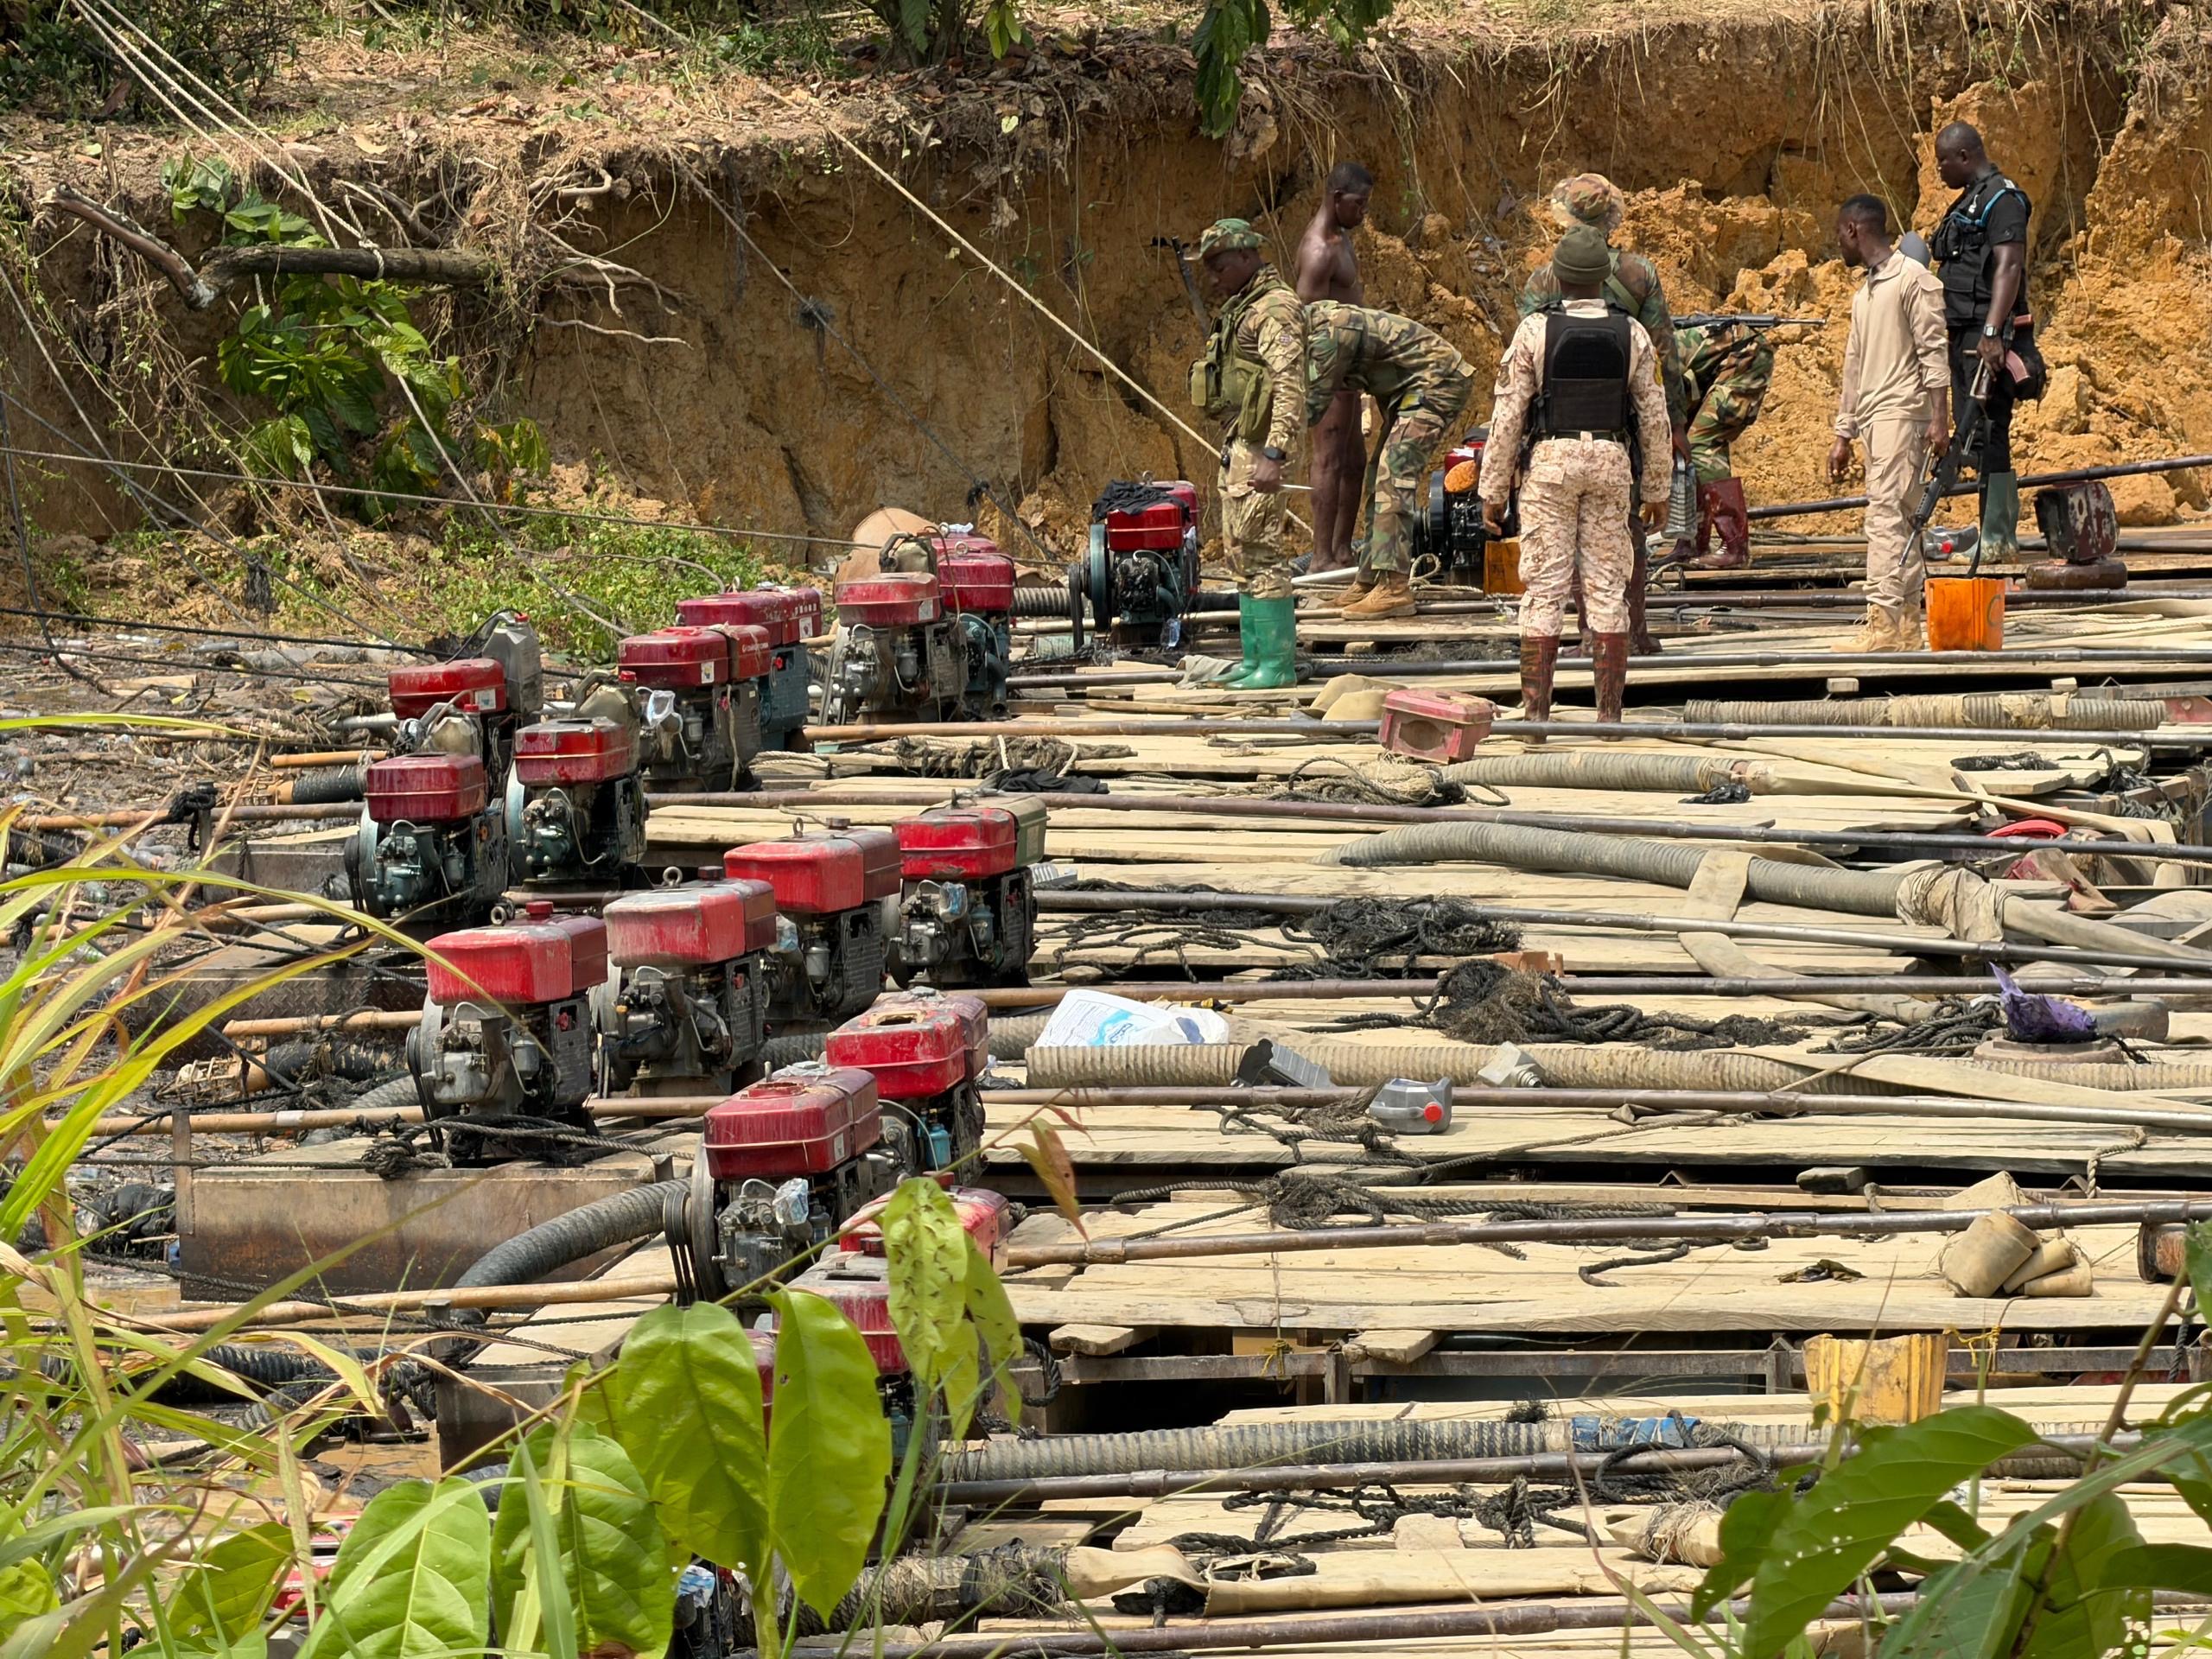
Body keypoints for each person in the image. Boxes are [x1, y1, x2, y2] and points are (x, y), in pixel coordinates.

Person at [1481, 225, 1671, 732]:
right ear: (1604, 277)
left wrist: (1492, 490)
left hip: (1551, 465)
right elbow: (1654, 417)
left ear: (1558, 278)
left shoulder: (1533, 331)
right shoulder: (1634, 333)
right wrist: (1658, 490)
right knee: (1608, 587)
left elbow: (1508, 416)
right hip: (1610, 461)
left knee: (1544, 588)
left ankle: (1536, 717)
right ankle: (1609, 716)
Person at [1519, 174, 1687, 655]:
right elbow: (1663, 353)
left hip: (1560, 423)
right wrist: (1675, 424)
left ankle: (1590, 634)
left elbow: (1529, 358)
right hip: (1624, 419)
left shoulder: (1544, 279)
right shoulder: (1639, 273)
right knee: (1622, 526)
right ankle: (1632, 632)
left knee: (1569, 532)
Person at [1186, 218, 1308, 688]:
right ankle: (1254, 659)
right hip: (1241, 444)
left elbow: (1289, 384)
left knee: (1261, 554)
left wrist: (1275, 453)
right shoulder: (1246, 307)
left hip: (1261, 447)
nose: (1215, 279)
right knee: (1239, 554)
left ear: (1246, 256)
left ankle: (1275, 666)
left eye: (1220, 268)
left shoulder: (1273, 309)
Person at [1829, 194, 1951, 651]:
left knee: (1885, 518)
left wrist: (1939, 418)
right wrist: (1844, 432)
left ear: (1854, 230)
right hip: (1877, 421)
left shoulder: (1911, 280)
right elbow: (1854, 366)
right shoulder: (1866, 292)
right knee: (1902, 522)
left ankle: (1882, 626)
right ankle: (1906, 628)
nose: (1838, 244)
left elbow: (1933, 352)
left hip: (1902, 416)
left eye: (1840, 234)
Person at [1302, 302, 1476, 620]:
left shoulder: (1330, 333)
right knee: (1377, 476)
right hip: (1410, 387)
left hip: (1437, 380)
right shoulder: (1311, 329)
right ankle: (1370, 580)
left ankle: (1394, 588)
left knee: (1393, 472)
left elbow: (1310, 406)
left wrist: (1264, 445)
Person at [1929, 122, 2031, 556]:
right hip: (1963, 332)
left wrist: (1991, 332)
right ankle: (1994, 534)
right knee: (1976, 432)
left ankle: (1997, 538)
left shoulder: (2002, 200)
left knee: (1991, 428)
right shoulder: (1971, 199)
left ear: (1965, 156)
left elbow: (2009, 266)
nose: (1939, 170)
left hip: (1983, 334)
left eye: (1943, 161)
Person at [1294, 162, 1373, 576]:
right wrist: (1328, 381)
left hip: (1349, 369)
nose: (1363, 212)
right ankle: (1320, 557)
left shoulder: (1341, 237)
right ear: (1337, 198)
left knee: (1354, 461)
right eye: (1359, 204)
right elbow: (1307, 322)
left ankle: (1342, 550)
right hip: (1329, 371)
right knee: (1329, 460)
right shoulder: (1319, 250)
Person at [1669, 320, 1775, 570]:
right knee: (1681, 453)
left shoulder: (1643, 355)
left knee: (1700, 445)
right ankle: (1691, 543)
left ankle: (1734, 547)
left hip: (1745, 355)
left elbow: (1662, 397)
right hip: (1712, 370)